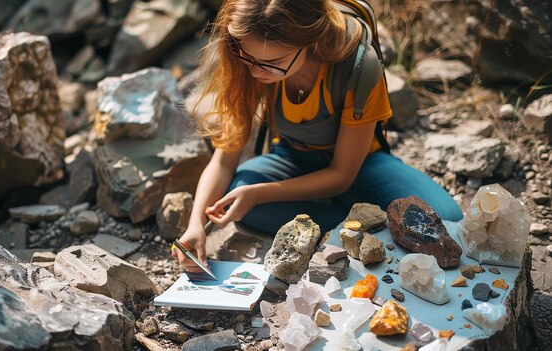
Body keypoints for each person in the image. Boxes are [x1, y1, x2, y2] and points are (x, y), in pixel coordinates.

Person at [172, 0, 463, 273]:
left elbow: (341, 174)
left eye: (272, 62)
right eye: (248, 60)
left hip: (361, 165)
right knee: (235, 196)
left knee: (447, 218)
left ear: (310, 41)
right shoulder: (248, 58)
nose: (257, 72)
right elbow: (224, 161)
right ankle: (366, 223)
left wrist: (259, 193)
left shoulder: (360, 66)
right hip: (292, 158)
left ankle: (351, 223)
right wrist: (195, 223)